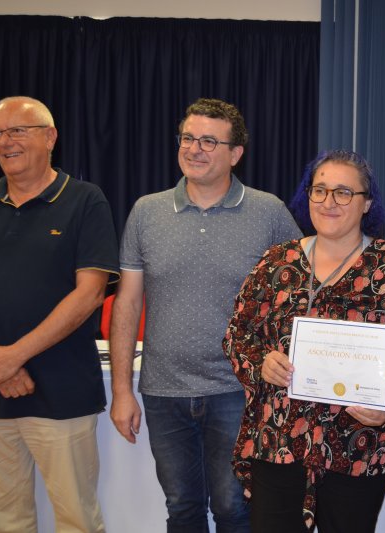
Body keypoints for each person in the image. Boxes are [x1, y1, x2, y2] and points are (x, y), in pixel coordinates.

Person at [109, 98, 301, 533]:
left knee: (234, 509)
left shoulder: (268, 213)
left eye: (209, 141)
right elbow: (127, 303)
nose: (194, 149)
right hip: (164, 391)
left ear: (235, 154)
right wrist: (122, 389)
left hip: (238, 389)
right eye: (188, 138)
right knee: (182, 508)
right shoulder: (146, 211)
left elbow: (300, 293)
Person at [224, 149, 385, 533]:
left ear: (366, 203)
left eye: (343, 193)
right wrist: (262, 363)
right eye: (319, 190)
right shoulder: (277, 263)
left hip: (358, 441)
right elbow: (238, 335)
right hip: (278, 441)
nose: (329, 202)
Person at [0, 96, 119, 532]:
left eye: (17, 130)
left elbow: (88, 296)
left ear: (50, 137)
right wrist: (2, 365)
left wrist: (12, 357)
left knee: (76, 521)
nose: (6, 141)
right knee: (6, 521)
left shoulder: (85, 201)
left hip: (63, 394)